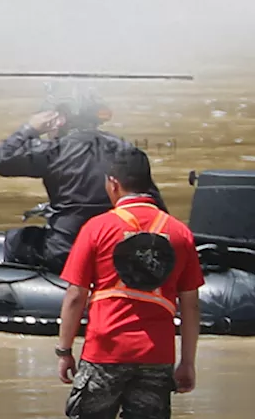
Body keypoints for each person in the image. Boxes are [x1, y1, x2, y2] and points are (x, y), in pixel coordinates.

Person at [56, 147, 202, 419]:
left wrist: (64, 351)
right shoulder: (180, 233)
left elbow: (76, 296)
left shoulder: (97, 228)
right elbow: (191, 306)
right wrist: (188, 362)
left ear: (113, 183)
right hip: (157, 355)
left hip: (105, 351)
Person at [0, 89, 166, 273]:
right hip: (116, 251)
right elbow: (155, 204)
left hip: (66, 252)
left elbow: (1, 160)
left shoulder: (54, 151)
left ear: (61, 120)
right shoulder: (124, 149)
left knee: (17, 239)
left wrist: (30, 128)